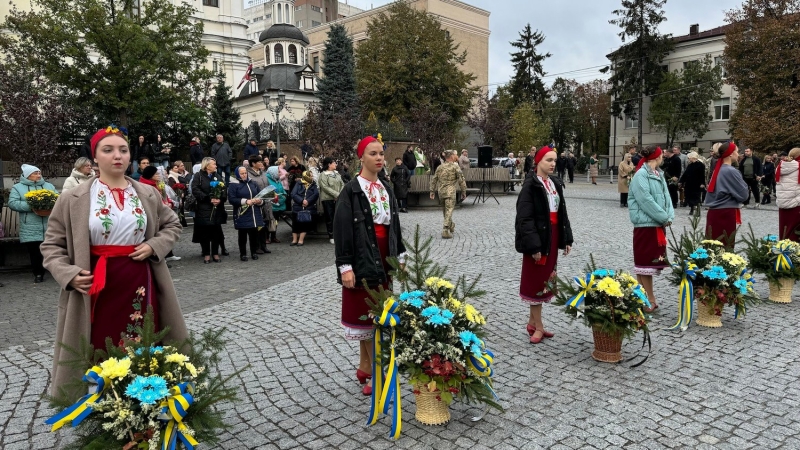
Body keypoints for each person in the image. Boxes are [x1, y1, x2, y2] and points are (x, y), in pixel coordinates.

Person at [40, 126, 188, 400]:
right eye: (107, 150)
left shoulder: (147, 193)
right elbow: (51, 245)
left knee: (143, 339)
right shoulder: (73, 198)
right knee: (99, 340)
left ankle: (145, 400)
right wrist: (68, 273)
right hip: (95, 283)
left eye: (123, 150)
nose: (117, 156)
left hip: (140, 279)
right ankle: (103, 406)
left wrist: (154, 245)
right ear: (95, 157)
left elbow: (172, 224)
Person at [334, 136, 406, 396]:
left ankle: (367, 367)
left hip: (384, 255)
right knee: (365, 317)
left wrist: (400, 256)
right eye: (373, 153)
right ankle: (373, 369)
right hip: (362, 256)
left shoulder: (386, 187)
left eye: (381, 154)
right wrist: (345, 266)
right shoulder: (351, 190)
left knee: (380, 316)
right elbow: (342, 230)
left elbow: (394, 225)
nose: (379, 158)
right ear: (361, 157)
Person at [515, 146, 573, 344]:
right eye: (549, 160)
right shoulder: (530, 186)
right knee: (536, 283)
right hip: (538, 240)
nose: (553, 164)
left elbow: (562, 213)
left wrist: (567, 238)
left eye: (554, 160)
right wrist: (534, 246)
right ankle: (538, 326)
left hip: (553, 236)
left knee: (546, 281)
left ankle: (532, 323)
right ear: (538, 161)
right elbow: (524, 219)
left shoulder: (554, 183)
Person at [628, 145, 674, 312]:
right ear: (657, 157)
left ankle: (644, 298)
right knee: (644, 266)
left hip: (657, 223)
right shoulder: (641, 175)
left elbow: (667, 196)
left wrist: (669, 215)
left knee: (647, 266)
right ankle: (649, 299)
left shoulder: (658, 174)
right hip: (646, 224)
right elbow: (645, 200)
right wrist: (663, 217)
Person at [9, 164, 59, 283]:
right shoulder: (18, 188)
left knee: (52, 249)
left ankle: (56, 272)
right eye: (35, 173)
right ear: (27, 176)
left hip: (49, 223)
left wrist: (49, 204)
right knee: (35, 250)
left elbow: (58, 199)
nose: (38, 175)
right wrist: (32, 206)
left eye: (39, 173)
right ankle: (38, 273)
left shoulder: (48, 186)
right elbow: (12, 203)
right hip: (30, 224)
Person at [704, 142, 749, 250]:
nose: (738, 154)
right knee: (725, 246)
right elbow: (744, 195)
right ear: (730, 154)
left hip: (714, 212)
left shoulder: (718, 169)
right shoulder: (730, 171)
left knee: (713, 246)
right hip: (725, 212)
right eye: (737, 152)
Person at [191, 157, 228, 263]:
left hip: (216, 208)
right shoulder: (198, 176)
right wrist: (208, 198)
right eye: (214, 164)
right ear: (207, 166)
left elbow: (224, 188)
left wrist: (220, 199)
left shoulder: (217, 176)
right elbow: (195, 189)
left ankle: (215, 253)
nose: (216, 166)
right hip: (204, 208)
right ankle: (207, 254)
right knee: (205, 233)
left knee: (216, 232)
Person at [229, 166, 265, 261]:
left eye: (245, 173)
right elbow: (232, 199)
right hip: (242, 213)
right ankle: (243, 254)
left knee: (254, 235)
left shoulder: (253, 183)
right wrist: (245, 201)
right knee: (242, 236)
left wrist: (259, 201)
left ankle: (254, 252)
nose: (244, 175)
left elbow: (261, 196)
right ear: (238, 174)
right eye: (242, 173)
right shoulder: (234, 185)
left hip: (254, 213)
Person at [430, 150, 466, 239]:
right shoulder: (455, 167)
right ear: (451, 157)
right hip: (450, 192)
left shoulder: (440, 167)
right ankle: (445, 230)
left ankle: (451, 225)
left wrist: (432, 191)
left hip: (441, 192)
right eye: (454, 155)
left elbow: (434, 180)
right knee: (449, 210)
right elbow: (461, 180)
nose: (455, 156)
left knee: (445, 211)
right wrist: (464, 191)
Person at [246, 156, 273, 253]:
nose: (262, 163)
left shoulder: (263, 173)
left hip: (265, 202)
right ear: (253, 163)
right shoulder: (249, 175)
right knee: (256, 226)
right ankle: (256, 246)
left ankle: (263, 245)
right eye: (259, 162)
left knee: (264, 225)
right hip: (255, 203)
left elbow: (268, 185)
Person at [318, 157, 344, 243]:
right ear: (329, 164)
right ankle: (331, 235)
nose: (336, 164)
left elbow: (342, 184)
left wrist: (340, 194)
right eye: (334, 163)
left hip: (338, 198)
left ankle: (339, 234)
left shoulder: (337, 174)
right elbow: (325, 187)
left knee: (339, 217)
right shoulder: (323, 175)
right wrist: (336, 194)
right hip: (327, 199)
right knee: (330, 217)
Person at [776, 148, 800, 242]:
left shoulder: (781, 166)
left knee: (784, 232)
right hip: (796, 204)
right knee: (795, 235)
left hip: (782, 204)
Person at [290, 171, 319, 246]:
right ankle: (294, 240)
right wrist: (301, 201)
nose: (312, 177)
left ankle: (301, 240)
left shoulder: (313, 184)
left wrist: (308, 201)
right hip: (297, 206)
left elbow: (315, 194)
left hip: (308, 207)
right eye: (311, 176)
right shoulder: (299, 183)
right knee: (295, 223)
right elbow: (293, 193)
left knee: (304, 223)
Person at [679, 152, 706, 216]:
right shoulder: (690, 165)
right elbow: (685, 174)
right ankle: (691, 209)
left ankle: (697, 210)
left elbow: (702, 175)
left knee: (696, 197)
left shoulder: (700, 165)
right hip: (689, 183)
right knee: (689, 196)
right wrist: (681, 181)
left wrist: (702, 183)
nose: (688, 159)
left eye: (689, 157)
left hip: (697, 183)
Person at [265, 166, 286, 244]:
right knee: (269, 221)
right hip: (271, 204)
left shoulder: (278, 179)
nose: (280, 173)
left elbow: (282, 190)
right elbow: (266, 191)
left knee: (276, 222)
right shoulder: (267, 179)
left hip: (279, 204)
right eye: (278, 171)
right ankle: (266, 237)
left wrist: (283, 196)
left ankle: (273, 236)